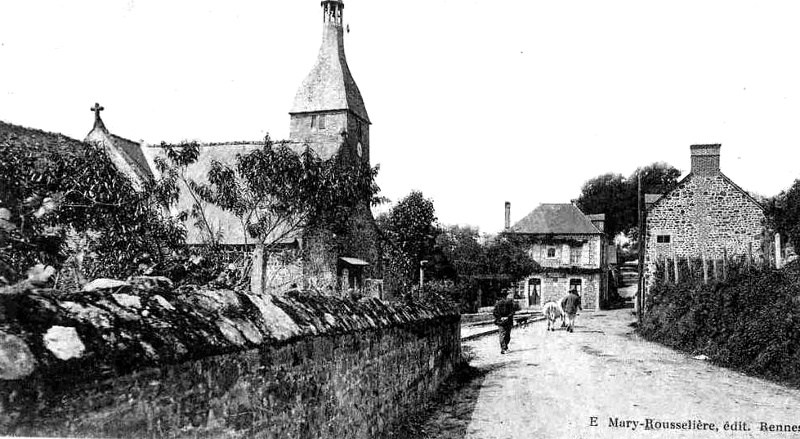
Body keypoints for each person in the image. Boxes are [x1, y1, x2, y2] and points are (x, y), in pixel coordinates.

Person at [493, 289, 516, 354]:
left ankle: (504, 348)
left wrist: (500, 317)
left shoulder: (498, 303)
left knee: (502, 335)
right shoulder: (509, 302)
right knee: (507, 335)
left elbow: (495, 312)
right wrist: (507, 317)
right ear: (506, 295)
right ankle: (504, 348)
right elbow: (512, 312)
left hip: (501, 321)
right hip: (508, 321)